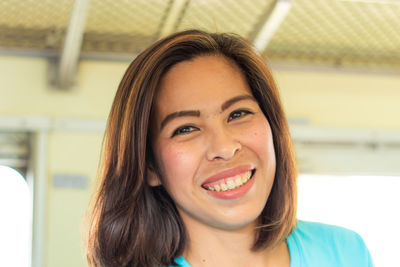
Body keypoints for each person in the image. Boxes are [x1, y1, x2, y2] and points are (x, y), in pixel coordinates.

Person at [85, 30, 374, 267]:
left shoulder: (345, 252)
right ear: (149, 166)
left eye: (238, 114)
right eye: (186, 129)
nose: (224, 147)